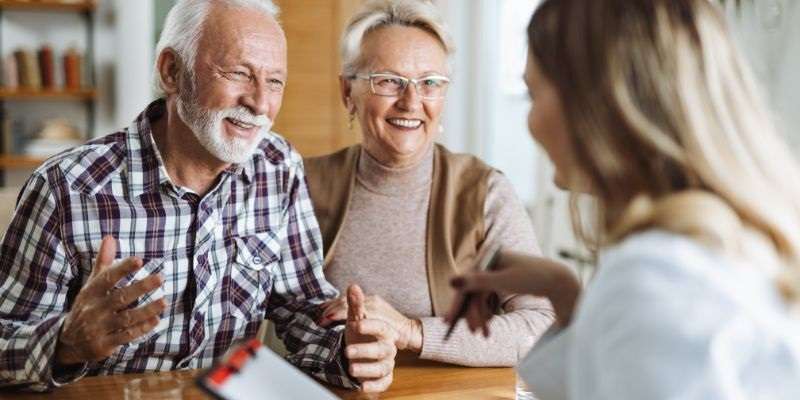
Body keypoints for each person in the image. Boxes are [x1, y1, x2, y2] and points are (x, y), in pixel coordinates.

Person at [0, 0, 396, 393]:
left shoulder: (277, 167)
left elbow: (302, 308)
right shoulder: (66, 187)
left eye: (274, 81)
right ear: (172, 71)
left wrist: (348, 349)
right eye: (239, 73)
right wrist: (67, 343)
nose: (260, 103)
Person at [448, 0, 800, 398]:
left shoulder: (657, 280)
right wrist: (566, 296)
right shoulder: (716, 249)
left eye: (534, 94)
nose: (531, 123)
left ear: (596, 103)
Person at [305, 0, 555, 367]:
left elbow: (542, 325)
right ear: (348, 93)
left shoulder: (485, 192)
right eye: (389, 80)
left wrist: (411, 331)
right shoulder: (301, 185)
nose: (411, 102)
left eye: (429, 83)